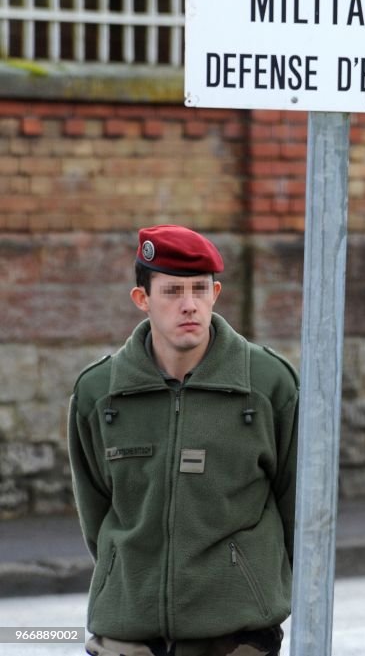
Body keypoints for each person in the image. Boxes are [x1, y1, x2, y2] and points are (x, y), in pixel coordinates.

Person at [68, 225, 299, 656]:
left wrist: (250, 581)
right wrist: (127, 572)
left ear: (215, 293)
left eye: (199, 289)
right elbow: (96, 509)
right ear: (143, 300)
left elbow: (296, 507)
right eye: (172, 291)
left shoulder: (268, 384)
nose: (189, 305)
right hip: (125, 629)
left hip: (236, 634)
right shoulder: (100, 391)